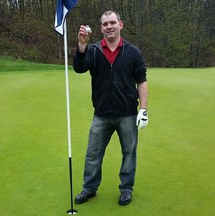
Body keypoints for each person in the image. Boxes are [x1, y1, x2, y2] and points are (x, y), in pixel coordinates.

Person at [73, 10, 148, 206]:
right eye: (105, 24)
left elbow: (142, 81)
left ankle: (126, 189)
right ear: (101, 28)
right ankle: (89, 188)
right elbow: (79, 68)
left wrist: (144, 109)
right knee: (93, 154)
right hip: (101, 114)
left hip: (127, 114)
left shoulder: (133, 52)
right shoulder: (94, 50)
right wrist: (82, 45)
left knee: (129, 153)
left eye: (112, 22)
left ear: (120, 24)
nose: (109, 26)